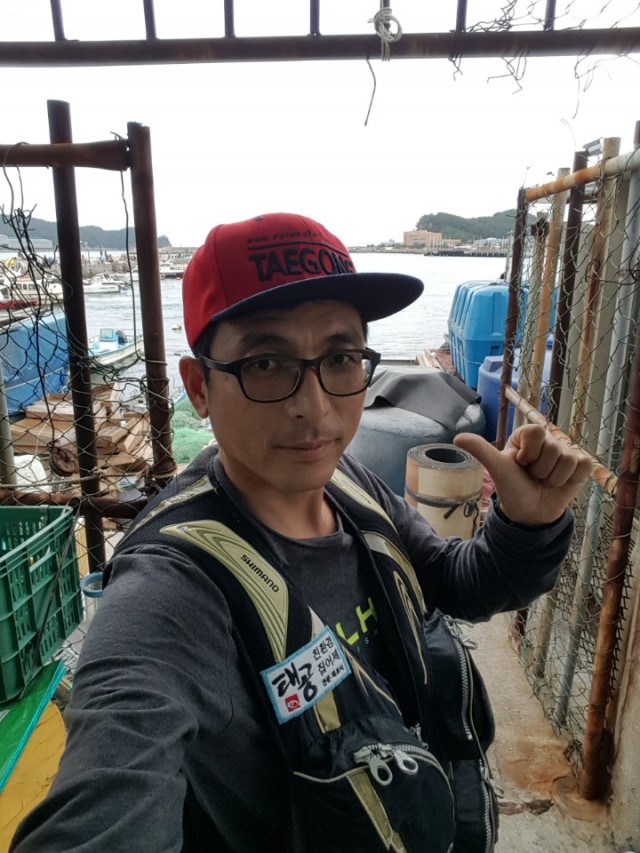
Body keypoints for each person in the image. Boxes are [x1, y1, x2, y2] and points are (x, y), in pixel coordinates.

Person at [11, 212, 592, 853]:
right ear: (199, 387)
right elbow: (109, 786)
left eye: (340, 359)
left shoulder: (348, 485)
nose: (314, 408)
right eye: (265, 362)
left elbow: (461, 583)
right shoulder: (172, 591)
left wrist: (528, 523)